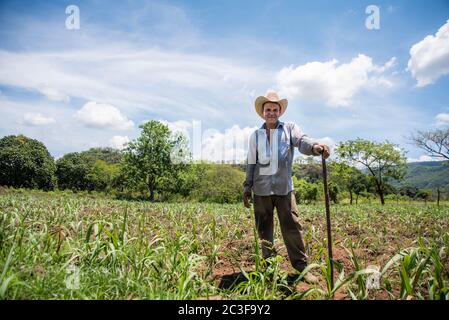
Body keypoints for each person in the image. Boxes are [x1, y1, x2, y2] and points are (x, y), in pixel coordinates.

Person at [243, 91, 330, 283]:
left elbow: (301, 141)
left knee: (292, 227)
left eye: (275, 109)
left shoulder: (289, 129)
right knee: (264, 229)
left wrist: (315, 147)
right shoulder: (255, 136)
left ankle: (302, 268)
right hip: (261, 189)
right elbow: (251, 162)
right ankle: (269, 268)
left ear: (280, 111)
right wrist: (247, 187)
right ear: (262, 112)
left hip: (284, 189)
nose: (271, 112)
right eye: (268, 109)